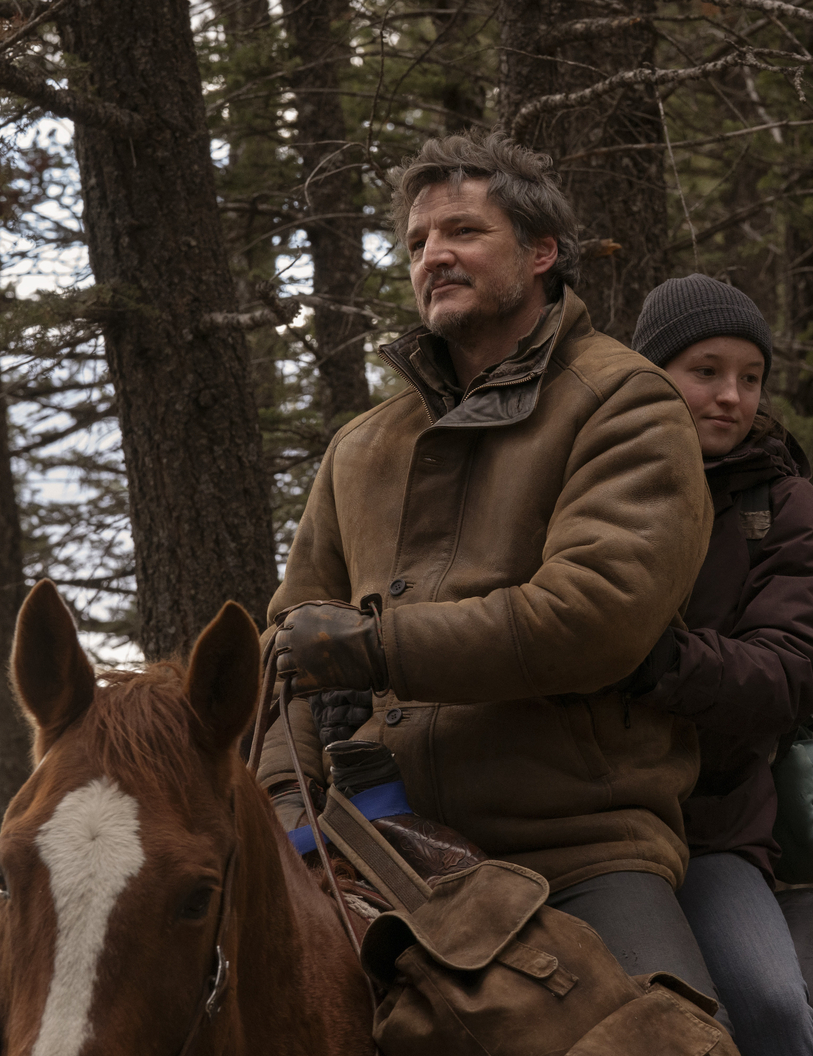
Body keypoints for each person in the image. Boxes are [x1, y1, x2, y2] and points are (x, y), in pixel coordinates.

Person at [259, 134, 730, 1016]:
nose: (433, 255)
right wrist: (287, 807)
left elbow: (595, 616)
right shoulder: (362, 446)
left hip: (575, 848)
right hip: (372, 849)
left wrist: (376, 647)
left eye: (463, 232)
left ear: (541, 251)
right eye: (416, 242)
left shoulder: (625, 401)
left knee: (668, 1040)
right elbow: (284, 652)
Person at [623, 274, 813, 1056]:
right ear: (650, 374)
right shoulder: (593, 478)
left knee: (771, 1006)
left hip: (711, 831)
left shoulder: (782, 504)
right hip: (578, 818)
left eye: (751, 378)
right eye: (706, 371)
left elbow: (792, 672)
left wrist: (660, 663)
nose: (731, 397)